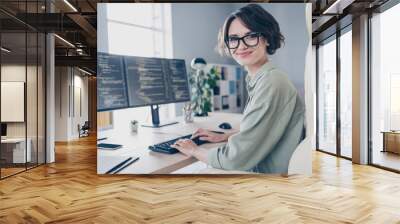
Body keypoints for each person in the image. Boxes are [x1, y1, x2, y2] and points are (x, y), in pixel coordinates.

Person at [172, 4, 305, 174]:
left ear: (267, 38)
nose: (241, 46)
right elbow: (262, 130)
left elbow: (234, 159)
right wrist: (226, 136)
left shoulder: (272, 82)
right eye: (233, 39)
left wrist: (195, 150)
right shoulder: (260, 79)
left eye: (250, 36)